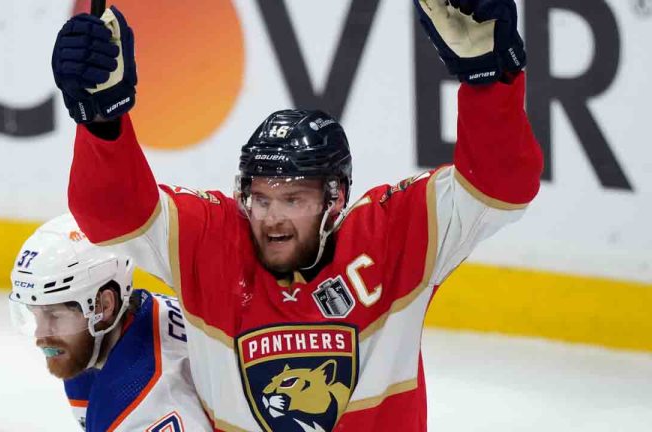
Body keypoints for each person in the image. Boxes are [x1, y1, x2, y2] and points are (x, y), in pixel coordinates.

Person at [52, 1, 543, 430]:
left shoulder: (394, 236)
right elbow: (112, 217)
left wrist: (491, 82)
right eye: (261, 198)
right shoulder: (212, 241)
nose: (271, 218)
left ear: (335, 199)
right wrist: (101, 122)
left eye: (293, 200)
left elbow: (499, 188)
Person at [8, 213, 211, 431]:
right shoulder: (132, 323)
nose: (41, 335)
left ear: (105, 305)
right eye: (34, 313)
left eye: (55, 315)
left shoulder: (142, 404)